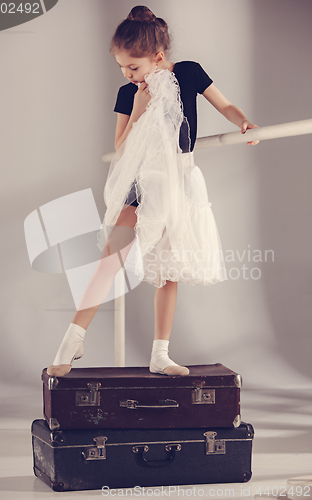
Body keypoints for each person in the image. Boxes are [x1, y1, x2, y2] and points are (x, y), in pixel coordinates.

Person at [47, 5, 258, 378]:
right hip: (142, 181)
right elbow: (121, 148)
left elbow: (223, 103)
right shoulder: (130, 94)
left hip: (179, 180)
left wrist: (242, 122)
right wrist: (140, 108)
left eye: (134, 67)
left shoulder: (189, 73)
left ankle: (160, 353)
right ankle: (72, 339)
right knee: (111, 257)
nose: (128, 75)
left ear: (158, 57)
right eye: (122, 68)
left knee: (168, 269)